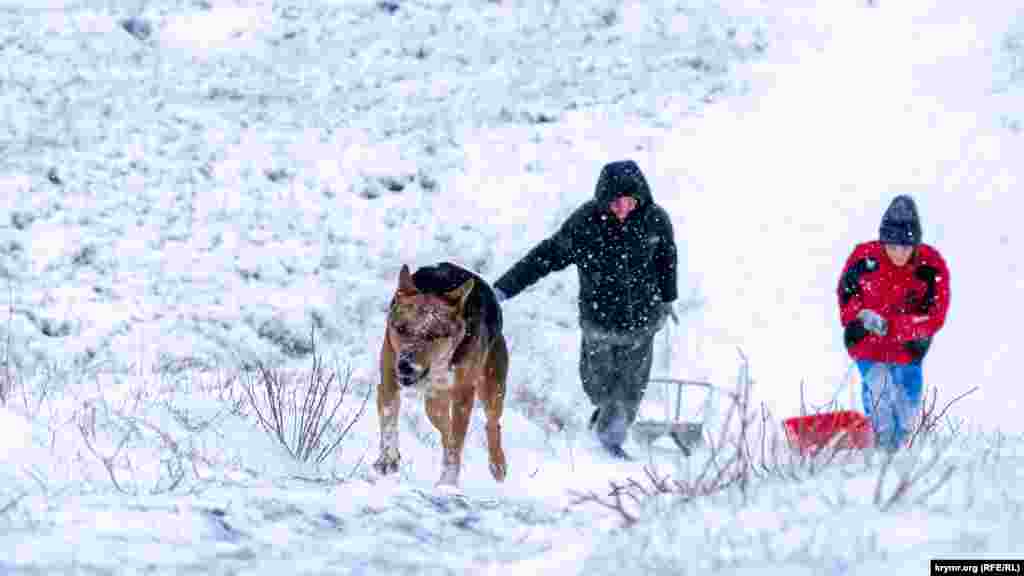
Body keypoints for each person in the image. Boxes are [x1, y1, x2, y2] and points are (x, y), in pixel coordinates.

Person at [492, 159, 679, 459]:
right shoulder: (586, 224)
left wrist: (668, 298)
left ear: (640, 198)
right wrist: (502, 289)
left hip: (642, 323)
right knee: (596, 385)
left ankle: (611, 438)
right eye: (615, 203)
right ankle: (605, 412)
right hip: (598, 322)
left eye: (629, 202)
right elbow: (545, 256)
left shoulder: (655, 220)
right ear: (604, 200)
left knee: (630, 388)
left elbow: (667, 260)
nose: (622, 210)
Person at [837, 194, 950, 451]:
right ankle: (879, 448)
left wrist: (897, 328)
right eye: (893, 246)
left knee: (907, 403)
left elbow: (935, 314)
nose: (899, 253)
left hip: (907, 348)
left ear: (915, 244)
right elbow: (847, 295)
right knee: (879, 394)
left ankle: (903, 450)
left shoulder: (930, 265)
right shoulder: (864, 258)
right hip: (868, 345)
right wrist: (859, 317)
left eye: (906, 247)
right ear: (883, 240)